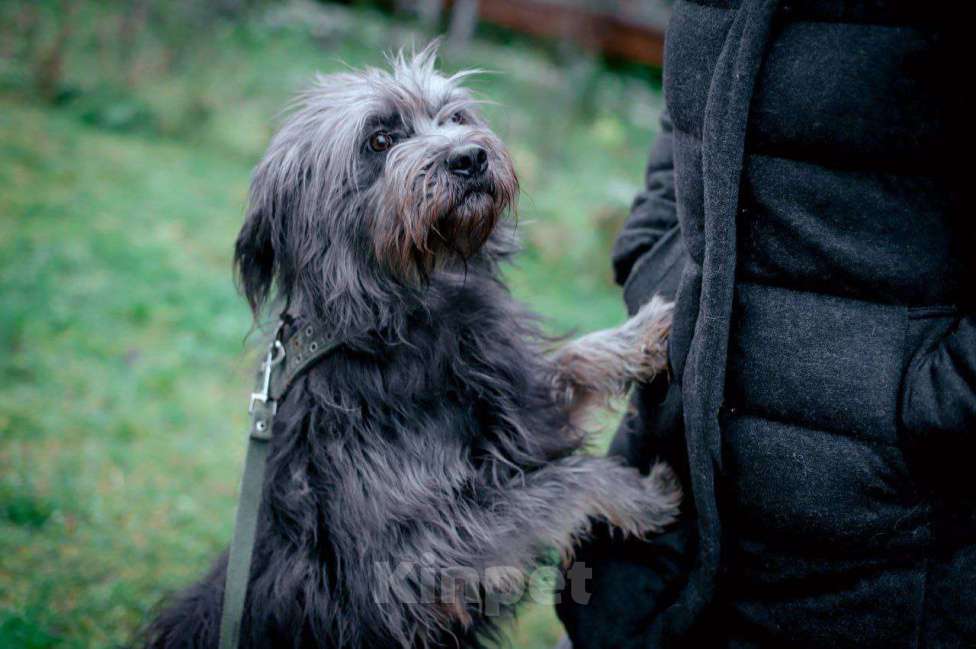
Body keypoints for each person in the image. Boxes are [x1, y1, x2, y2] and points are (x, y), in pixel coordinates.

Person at [556, 1, 970, 647]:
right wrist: (656, 261)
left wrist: (929, 399)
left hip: (884, 556)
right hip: (661, 530)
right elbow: (693, 110)